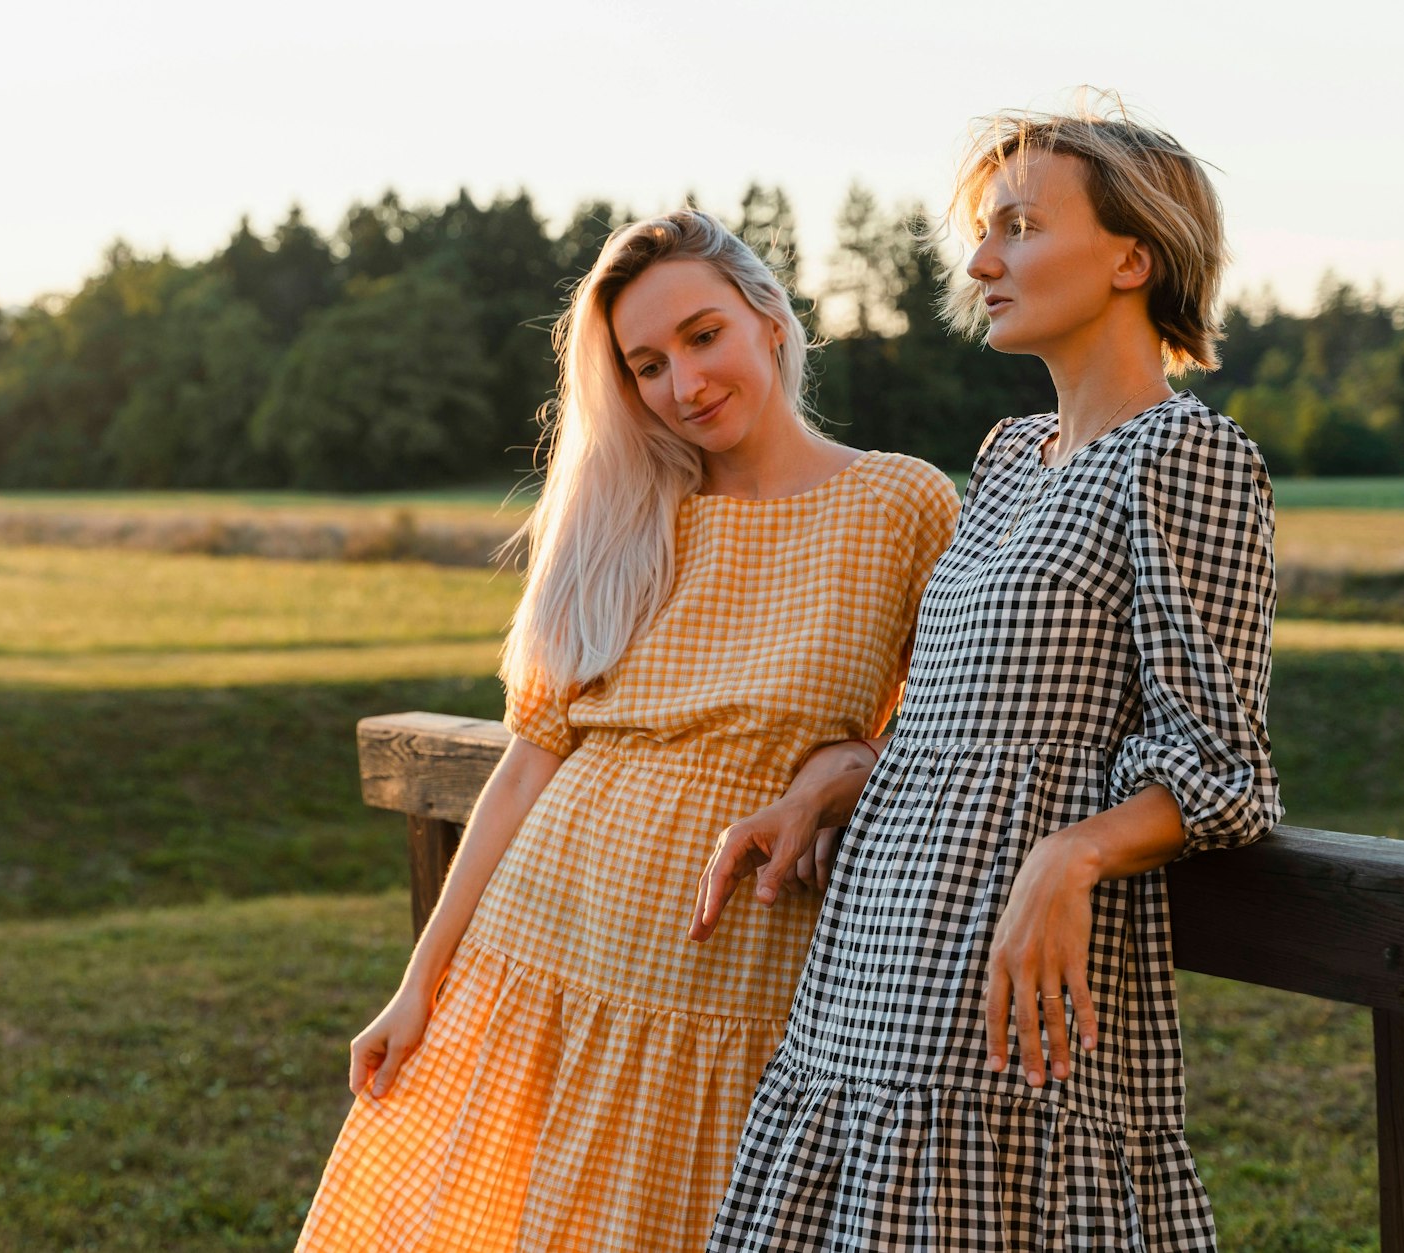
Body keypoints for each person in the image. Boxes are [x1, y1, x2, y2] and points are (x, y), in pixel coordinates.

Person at [296, 209, 959, 1250]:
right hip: (541, 941)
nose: (681, 385)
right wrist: (416, 986)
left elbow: (948, 735)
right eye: (645, 365)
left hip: (732, 968)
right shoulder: (623, 509)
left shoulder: (900, 503)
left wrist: (847, 765)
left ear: (769, 319)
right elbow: (526, 764)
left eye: (701, 337)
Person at [696, 102, 1280, 1249]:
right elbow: (966, 705)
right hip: (875, 937)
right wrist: (847, 768)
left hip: (996, 962)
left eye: (1017, 225)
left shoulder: (1187, 454)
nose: (979, 260)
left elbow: (1219, 767)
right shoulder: (1010, 456)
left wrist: (1074, 850)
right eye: (983, 228)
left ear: (1131, 256)